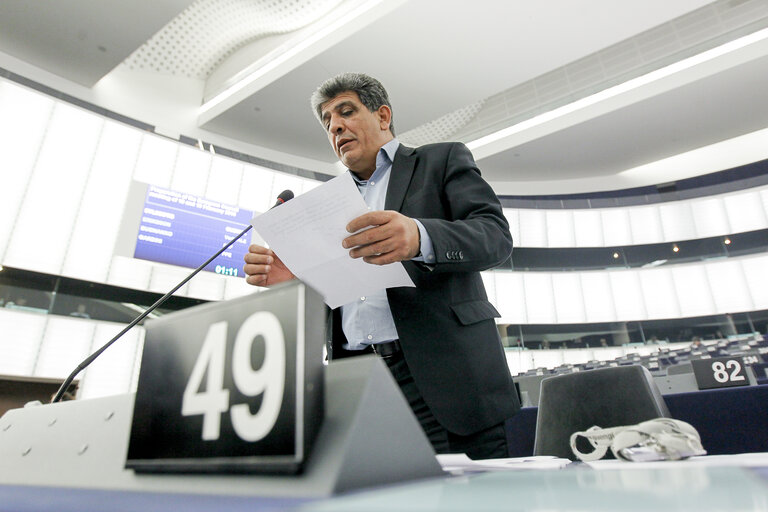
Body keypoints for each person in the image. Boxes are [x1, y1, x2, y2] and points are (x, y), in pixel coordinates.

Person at [243, 72, 519, 459]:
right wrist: (295, 283)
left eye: (346, 111)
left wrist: (419, 236)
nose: (335, 125)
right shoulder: (323, 204)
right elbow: (336, 297)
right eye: (327, 121)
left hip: (444, 382)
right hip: (357, 384)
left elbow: (495, 237)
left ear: (383, 116)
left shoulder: (440, 161)